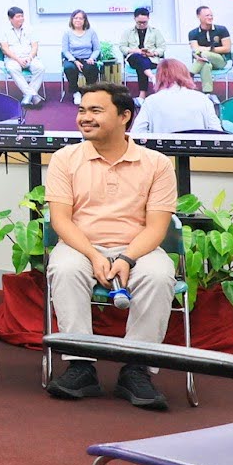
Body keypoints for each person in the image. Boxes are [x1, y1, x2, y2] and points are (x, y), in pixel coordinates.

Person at [44, 82, 176, 411]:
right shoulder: (64, 159)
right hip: (80, 244)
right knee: (65, 267)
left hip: (137, 247)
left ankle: (136, 367)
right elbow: (61, 220)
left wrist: (128, 257)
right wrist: (91, 254)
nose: (84, 118)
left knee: (159, 276)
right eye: (81, 110)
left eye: (95, 111)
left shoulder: (157, 163)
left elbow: (157, 226)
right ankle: (80, 365)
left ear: (124, 116)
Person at [130, 59, 222, 134]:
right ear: (185, 75)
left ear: (158, 77)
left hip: (162, 155)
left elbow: (137, 133)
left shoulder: (151, 101)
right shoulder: (203, 99)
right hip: (199, 155)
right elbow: (217, 133)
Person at [0, 6, 44, 106]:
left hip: (29, 57)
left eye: (22, 16)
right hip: (13, 59)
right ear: (10, 19)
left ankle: (28, 96)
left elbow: (35, 46)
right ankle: (33, 96)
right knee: (12, 68)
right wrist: (18, 60)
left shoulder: (30, 29)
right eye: (18, 17)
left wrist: (30, 57)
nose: (21, 19)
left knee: (40, 68)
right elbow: (5, 49)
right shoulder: (4, 31)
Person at [117, 7, 166, 98]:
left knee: (142, 64)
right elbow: (122, 47)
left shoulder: (155, 32)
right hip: (133, 58)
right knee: (138, 57)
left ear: (148, 19)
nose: (142, 25)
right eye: (139, 22)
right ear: (134, 19)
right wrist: (135, 50)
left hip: (151, 59)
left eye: (144, 22)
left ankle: (142, 95)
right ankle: (152, 77)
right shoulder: (128, 32)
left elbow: (162, 47)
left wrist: (153, 53)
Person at [187, 5, 232, 99]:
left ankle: (189, 74)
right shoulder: (193, 33)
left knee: (204, 53)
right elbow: (195, 50)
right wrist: (199, 54)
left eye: (211, 15)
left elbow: (227, 48)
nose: (210, 17)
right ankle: (207, 94)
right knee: (205, 64)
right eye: (207, 15)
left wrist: (207, 49)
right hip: (204, 60)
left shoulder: (222, 29)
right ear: (199, 16)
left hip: (220, 61)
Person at [61, 9, 101, 102]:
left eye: (80, 18)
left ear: (84, 20)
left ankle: (88, 92)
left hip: (87, 58)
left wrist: (92, 58)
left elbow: (97, 49)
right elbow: (65, 50)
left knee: (91, 68)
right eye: (75, 18)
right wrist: (75, 61)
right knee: (69, 68)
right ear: (72, 19)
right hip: (72, 59)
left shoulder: (91, 32)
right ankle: (75, 92)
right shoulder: (67, 33)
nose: (78, 20)